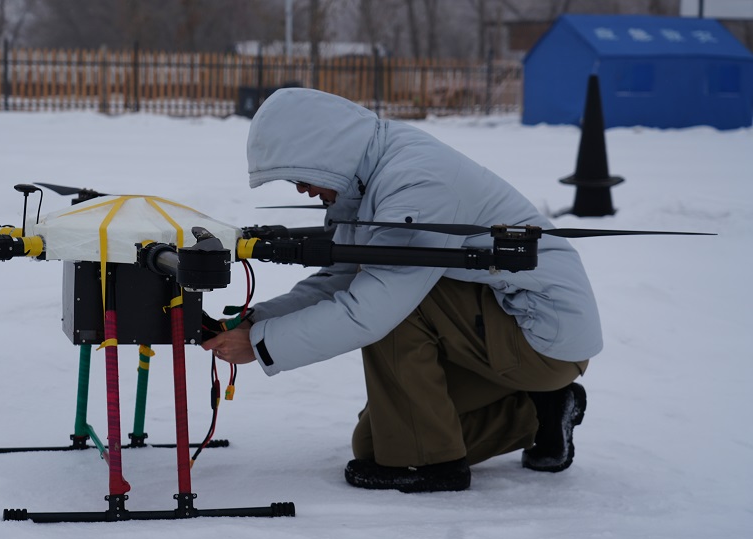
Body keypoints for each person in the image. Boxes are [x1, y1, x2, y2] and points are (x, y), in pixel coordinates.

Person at [202, 88, 601, 493]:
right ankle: (541, 412)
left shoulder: (415, 180)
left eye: (300, 176)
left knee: (397, 303)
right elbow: (340, 277)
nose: (303, 191)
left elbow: (371, 310)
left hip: (539, 336)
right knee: (377, 443)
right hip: (503, 337)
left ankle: (434, 466)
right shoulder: (372, 174)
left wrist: (260, 345)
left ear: (324, 153)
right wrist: (258, 321)